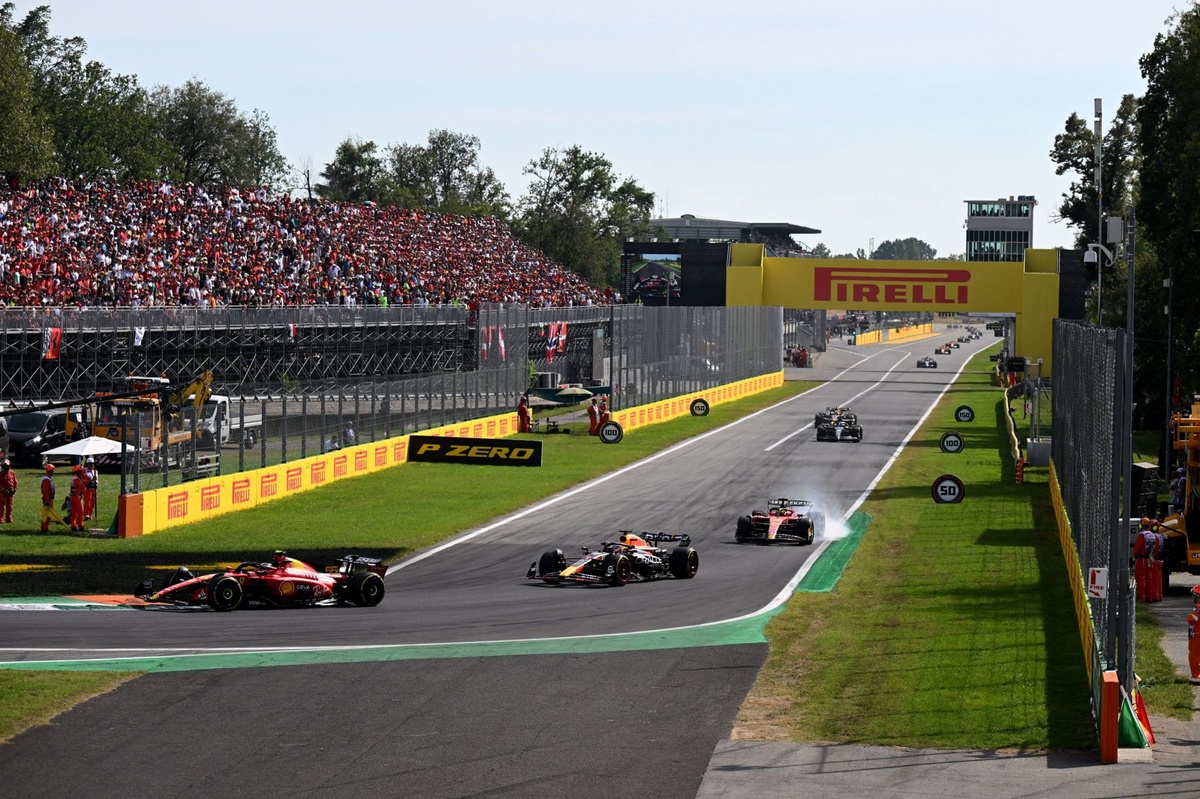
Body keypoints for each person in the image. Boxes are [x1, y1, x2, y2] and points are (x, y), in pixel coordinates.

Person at [39, 463, 66, 532]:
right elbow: (45, 492)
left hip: (49, 499)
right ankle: (44, 529)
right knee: (47, 515)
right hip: (48, 500)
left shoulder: (48, 479)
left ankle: (45, 528)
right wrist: (47, 501)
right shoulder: (46, 480)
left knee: (49, 515)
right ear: (51, 471)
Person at [1133, 520, 1151, 602]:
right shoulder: (1151, 534)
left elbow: (1137, 548)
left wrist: (1134, 555)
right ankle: (1149, 597)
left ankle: (1141, 597)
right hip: (1149, 559)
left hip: (1141, 559)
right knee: (1149, 578)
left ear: (1141, 526)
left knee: (1140, 579)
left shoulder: (1142, 535)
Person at [68, 464, 87, 532]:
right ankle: (81, 526)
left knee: (74, 512)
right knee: (80, 512)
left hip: (73, 497)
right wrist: (86, 484)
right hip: (77, 498)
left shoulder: (74, 478)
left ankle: (73, 526)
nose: (81, 473)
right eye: (80, 471)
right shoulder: (76, 479)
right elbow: (82, 487)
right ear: (77, 472)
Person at [1189, 586, 1200, 685]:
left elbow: (1190, 619)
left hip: (1197, 635)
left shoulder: (1198, 609)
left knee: (1194, 656)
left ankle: (1196, 677)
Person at [83, 456, 98, 521]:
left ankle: (90, 514)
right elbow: (83, 480)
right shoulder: (84, 471)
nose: (92, 465)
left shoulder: (95, 471)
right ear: (87, 464)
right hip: (87, 488)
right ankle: (85, 514)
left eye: (93, 464)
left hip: (93, 488)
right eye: (90, 464)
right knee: (87, 502)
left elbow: (97, 480)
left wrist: (96, 484)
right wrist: (91, 480)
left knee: (93, 502)